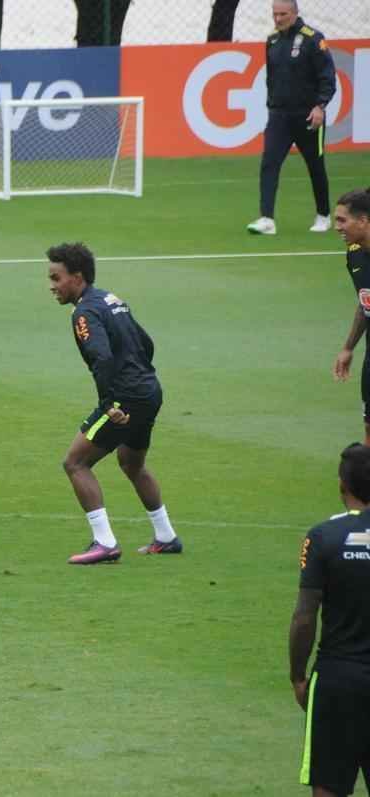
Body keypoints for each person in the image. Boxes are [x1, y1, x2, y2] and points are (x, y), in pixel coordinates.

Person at [46, 242, 182, 564]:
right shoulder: (111, 299)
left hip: (125, 397)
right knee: (132, 464)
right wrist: (140, 374)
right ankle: (166, 537)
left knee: (75, 463)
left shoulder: (85, 312)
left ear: (77, 277)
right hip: (149, 390)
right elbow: (146, 342)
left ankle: (105, 543)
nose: (51, 286)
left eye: (56, 278)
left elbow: (101, 356)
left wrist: (110, 404)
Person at [290, 443, 370, 797]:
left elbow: (305, 617)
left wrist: (297, 675)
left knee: (329, 787)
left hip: (338, 678)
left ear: (342, 486)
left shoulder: (322, 536)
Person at [246, 0, 336, 236]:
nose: (278, 19)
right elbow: (272, 77)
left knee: (315, 165)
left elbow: (328, 77)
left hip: (308, 115)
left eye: (283, 14)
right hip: (279, 116)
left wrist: (320, 106)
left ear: (295, 13)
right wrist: (272, 105)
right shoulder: (272, 40)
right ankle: (267, 219)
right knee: (269, 163)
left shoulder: (313, 39)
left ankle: (323, 215)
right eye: (274, 14)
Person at [331, 189, 370, 446]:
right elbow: (365, 301)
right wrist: (348, 347)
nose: (337, 227)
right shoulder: (355, 253)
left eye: (342, 220)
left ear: (364, 221)